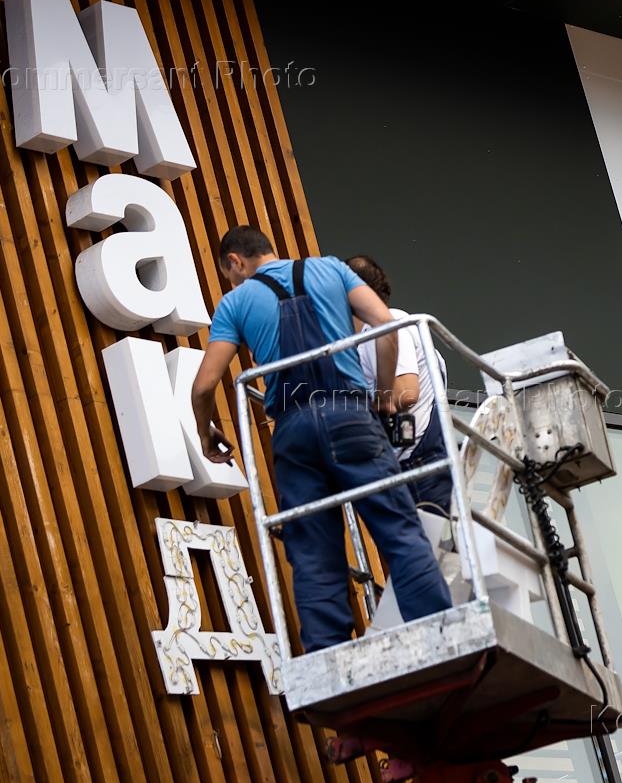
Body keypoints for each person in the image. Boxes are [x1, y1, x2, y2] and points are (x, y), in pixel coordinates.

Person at [191, 226, 451, 652]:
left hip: (292, 429)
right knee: (398, 529)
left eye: (229, 274)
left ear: (235, 262)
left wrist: (206, 433)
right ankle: (440, 630)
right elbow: (385, 326)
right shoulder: (331, 270)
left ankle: (327, 653)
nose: (233, 281)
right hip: (350, 415)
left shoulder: (235, 302)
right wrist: (383, 395)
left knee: (312, 553)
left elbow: (204, 387)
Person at [346, 255, 453, 515]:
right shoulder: (384, 328)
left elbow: (406, 392)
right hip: (419, 462)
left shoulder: (386, 324)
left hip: (416, 466)